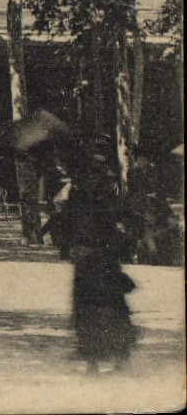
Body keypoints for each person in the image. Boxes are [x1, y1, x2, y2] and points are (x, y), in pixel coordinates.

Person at [65, 140, 138, 372]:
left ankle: (104, 358)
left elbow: (122, 221)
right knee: (98, 309)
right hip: (95, 259)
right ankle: (98, 359)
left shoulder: (98, 195)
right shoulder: (86, 195)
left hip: (98, 258)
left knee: (100, 309)